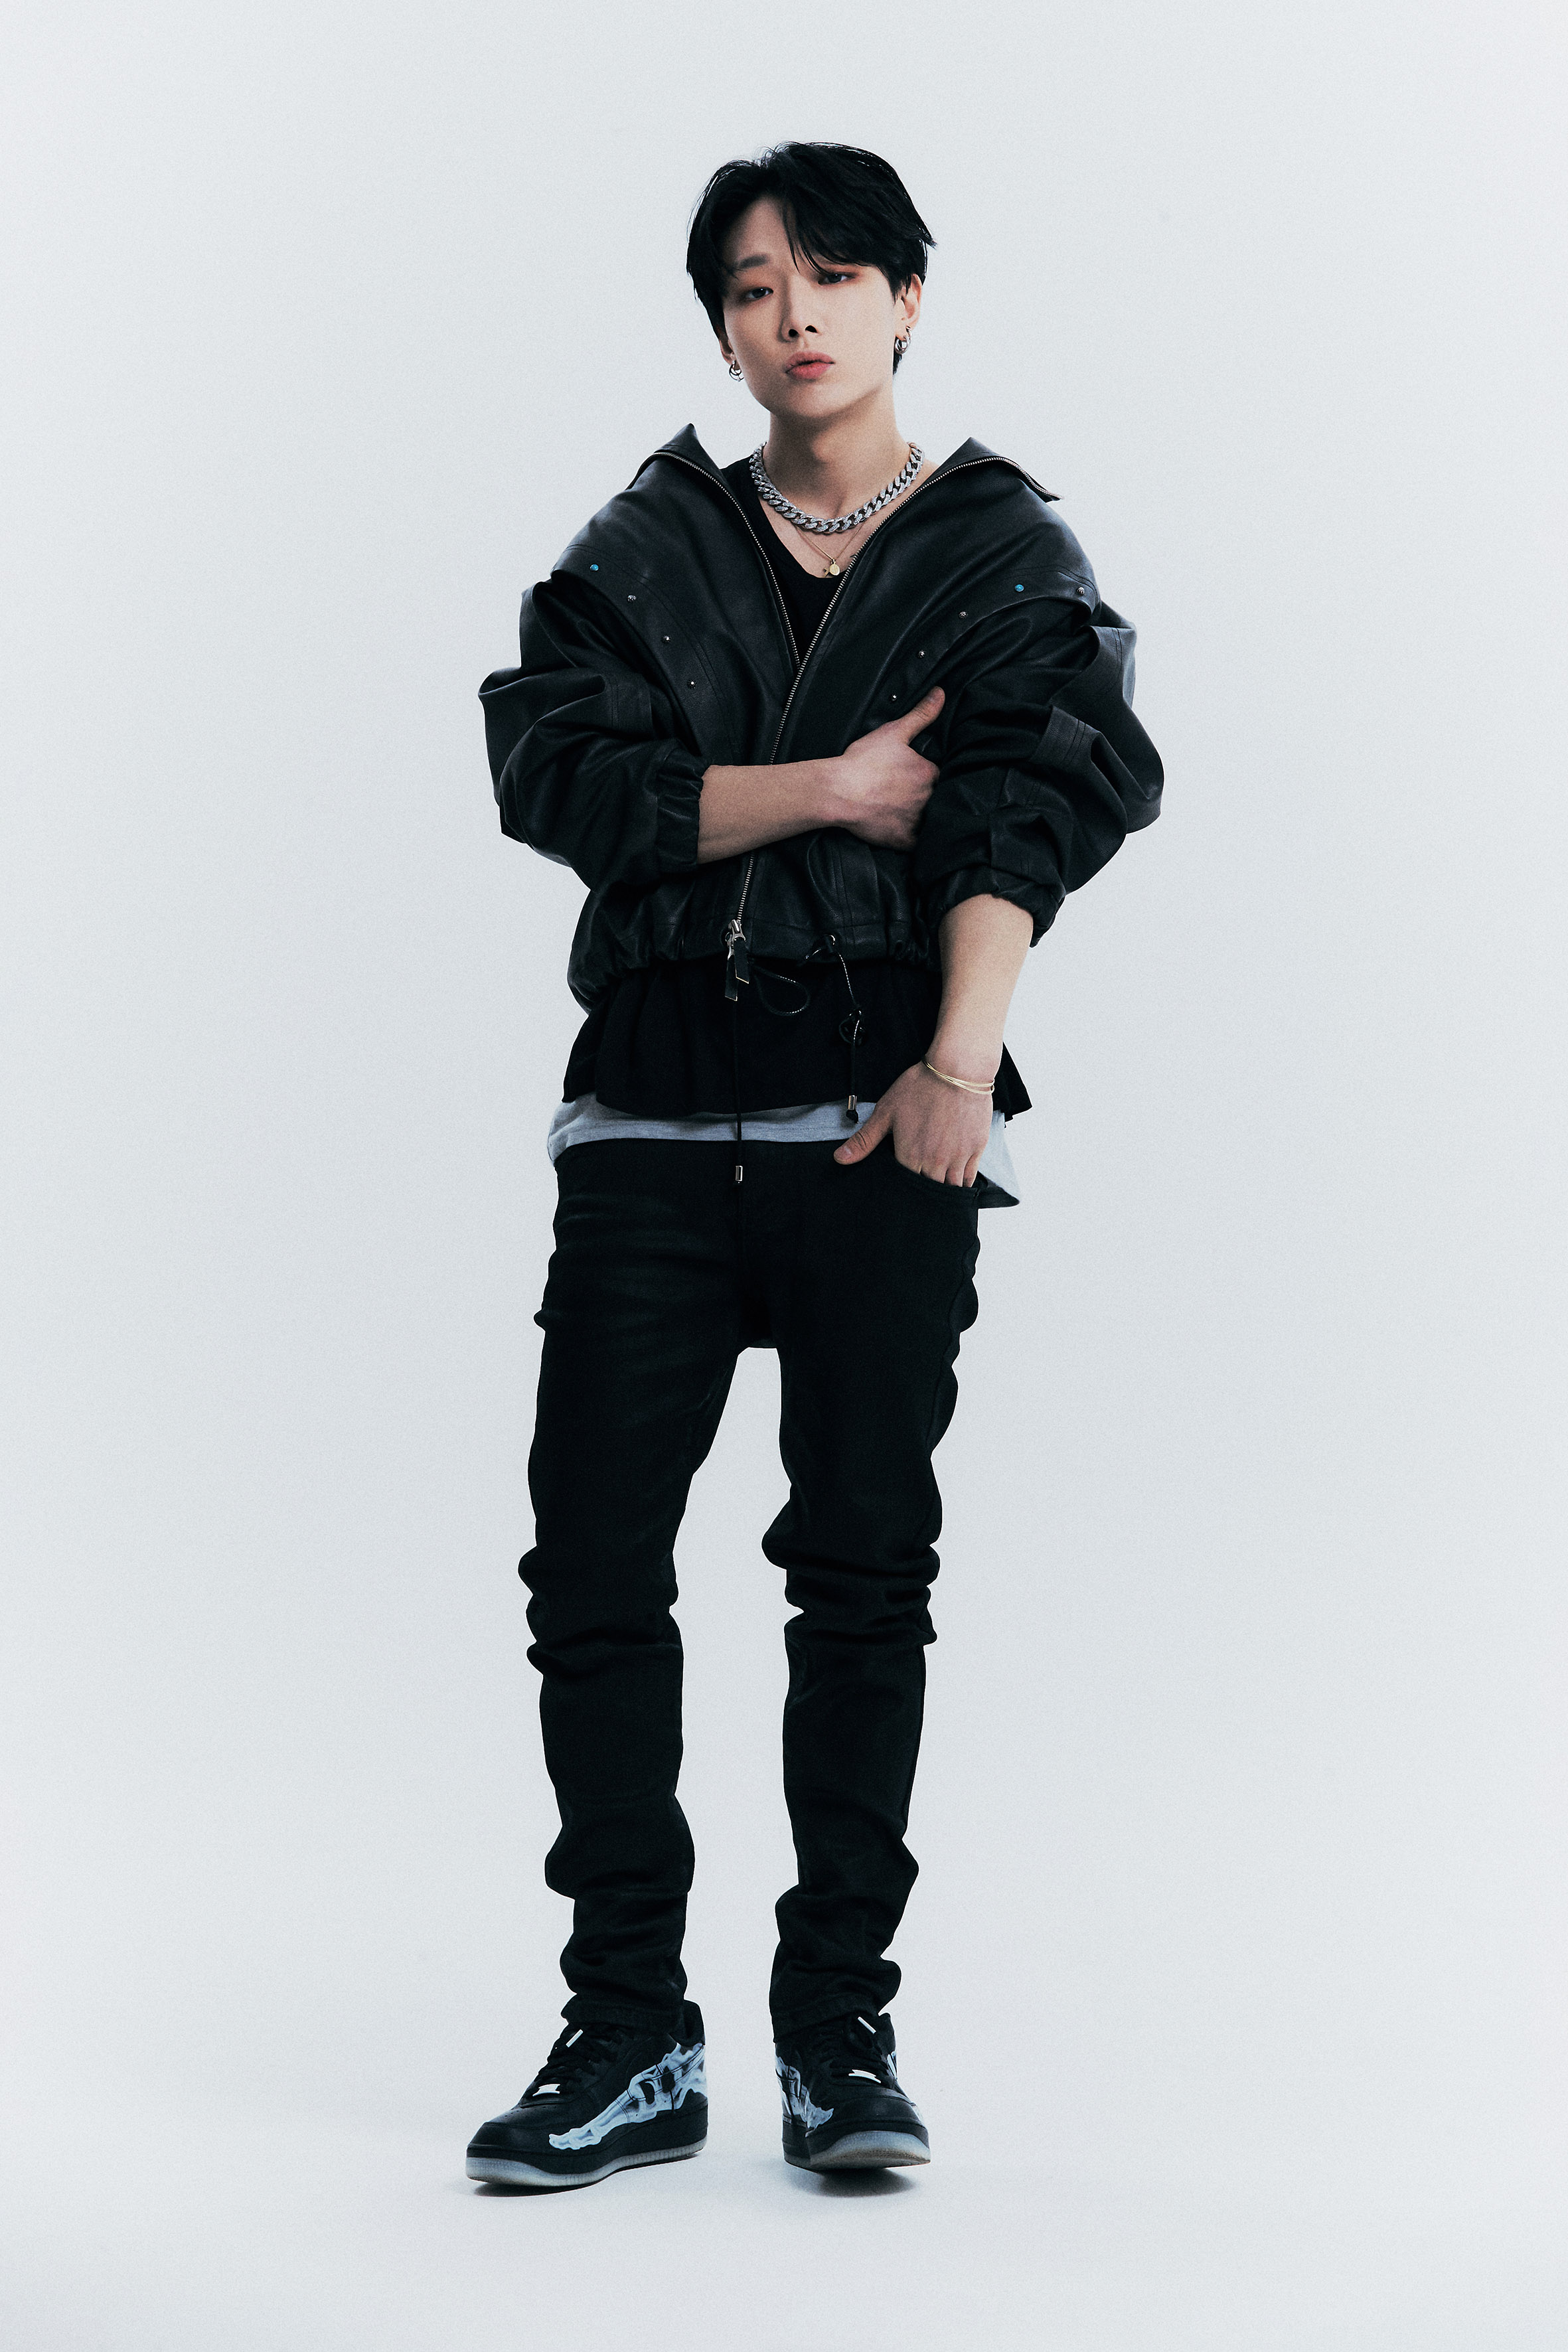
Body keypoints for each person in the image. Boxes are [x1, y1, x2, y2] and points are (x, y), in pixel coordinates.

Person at [465, 141, 1163, 2191]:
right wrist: (834, 787)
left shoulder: (1000, 550)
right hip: (651, 1120)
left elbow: (1031, 807)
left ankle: (835, 2037)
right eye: (757, 285)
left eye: (835, 275)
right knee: (593, 1569)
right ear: (721, 326)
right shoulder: (639, 546)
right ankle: (628, 2035)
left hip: (878, 1114)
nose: (796, 315)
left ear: (905, 298)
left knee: (862, 1576)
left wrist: (957, 1062)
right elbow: (561, 779)